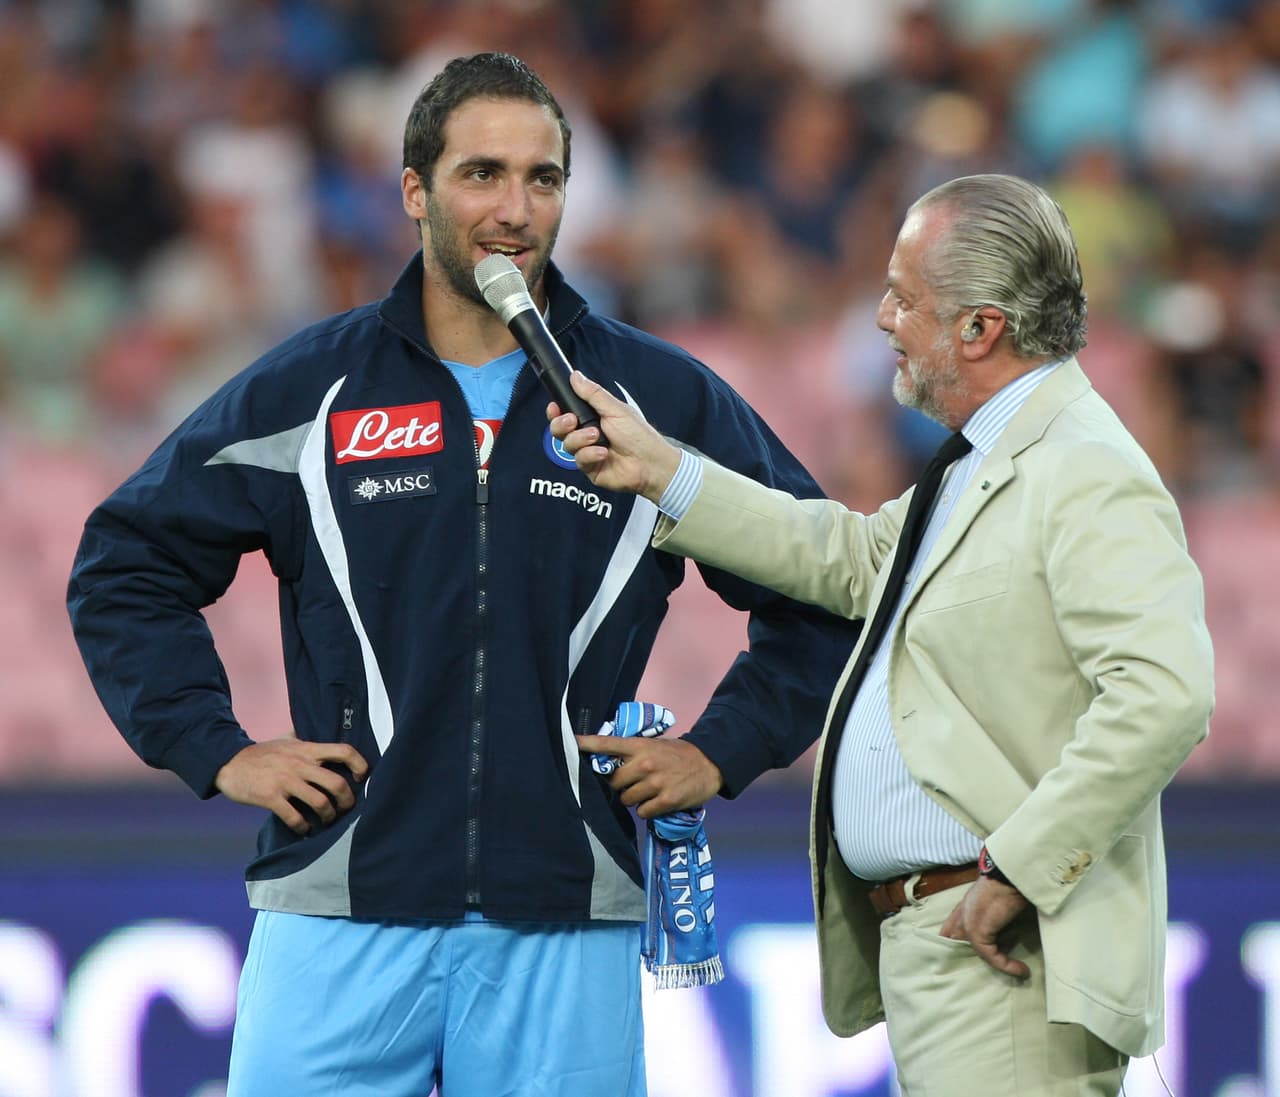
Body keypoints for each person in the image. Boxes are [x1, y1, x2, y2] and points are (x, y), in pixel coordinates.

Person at [66, 52, 858, 1097]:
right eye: (482, 173)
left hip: (565, 912)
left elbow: (822, 582)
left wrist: (723, 747)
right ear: (414, 191)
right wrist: (217, 748)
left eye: (543, 178)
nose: (515, 209)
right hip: (339, 905)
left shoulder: (654, 398)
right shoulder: (313, 388)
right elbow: (126, 562)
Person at [552, 173, 1215, 1095]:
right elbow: (852, 556)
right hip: (944, 940)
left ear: (979, 328)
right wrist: (665, 471)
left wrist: (1019, 869)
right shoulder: (984, 458)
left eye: (905, 297)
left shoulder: (1085, 468)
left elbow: (1165, 693)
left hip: (1002, 941)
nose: (881, 317)